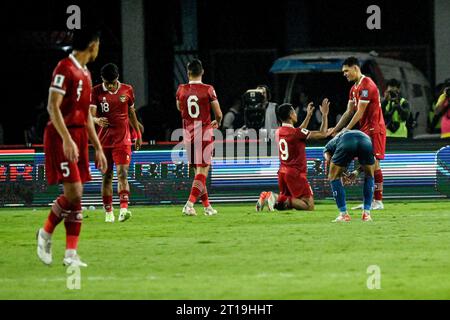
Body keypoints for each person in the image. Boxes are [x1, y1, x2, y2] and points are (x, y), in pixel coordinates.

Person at [37, 28, 107, 267]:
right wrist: (66, 138)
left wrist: (97, 147)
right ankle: (45, 233)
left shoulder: (86, 73)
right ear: (92, 45)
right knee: (74, 192)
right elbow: (52, 106)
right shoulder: (64, 68)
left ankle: (70, 254)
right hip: (60, 135)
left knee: (76, 197)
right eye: (98, 44)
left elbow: (87, 115)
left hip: (77, 134)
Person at [328, 57, 385, 211]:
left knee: (375, 164)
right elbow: (349, 111)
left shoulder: (367, 85)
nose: (344, 74)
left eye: (346, 71)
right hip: (365, 130)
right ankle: (372, 201)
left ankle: (377, 201)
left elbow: (360, 113)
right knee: (367, 163)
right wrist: (336, 129)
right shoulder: (354, 88)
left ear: (355, 68)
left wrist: (347, 129)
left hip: (375, 129)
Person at [90, 63, 142, 223]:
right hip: (103, 141)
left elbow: (131, 113)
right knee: (107, 176)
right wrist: (97, 120)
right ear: (102, 80)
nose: (110, 86)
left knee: (123, 174)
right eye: (107, 83)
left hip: (123, 140)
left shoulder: (127, 90)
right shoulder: (96, 91)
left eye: (112, 82)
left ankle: (124, 210)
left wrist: (138, 134)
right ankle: (108, 212)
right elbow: (89, 115)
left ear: (118, 78)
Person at [256, 99, 330, 212]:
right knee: (308, 206)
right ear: (291, 115)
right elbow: (323, 133)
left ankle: (266, 196)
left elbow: (298, 132)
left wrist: (308, 116)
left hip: (282, 172)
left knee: (284, 206)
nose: (296, 114)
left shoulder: (278, 132)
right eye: (294, 112)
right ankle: (274, 197)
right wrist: (324, 115)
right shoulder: (296, 133)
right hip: (295, 174)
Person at [176, 59, 223, 216]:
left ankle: (207, 207)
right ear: (202, 72)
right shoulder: (208, 89)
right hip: (203, 132)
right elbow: (219, 113)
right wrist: (218, 121)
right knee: (203, 171)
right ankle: (189, 204)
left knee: (198, 172)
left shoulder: (181, 89)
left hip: (188, 133)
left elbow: (179, 107)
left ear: (188, 72)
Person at [323, 130, 376, 222]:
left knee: (333, 177)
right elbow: (373, 160)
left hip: (347, 142)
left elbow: (328, 159)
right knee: (369, 175)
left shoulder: (330, 144)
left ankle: (343, 214)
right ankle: (367, 214)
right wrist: (356, 172)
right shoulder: (359, 135)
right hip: (366, 140)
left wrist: (337, 173)